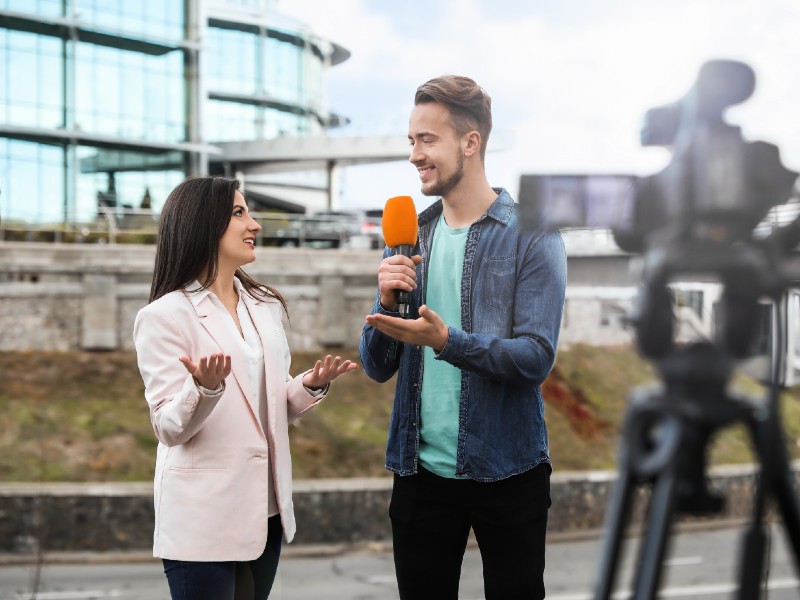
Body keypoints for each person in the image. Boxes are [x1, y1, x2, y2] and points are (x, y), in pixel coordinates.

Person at [359, 75, 567, 599]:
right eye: (412, 140)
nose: (414, 155)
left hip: (509, 470)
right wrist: (384, 302)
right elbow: (377, 366)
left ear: (470, 142)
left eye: (427, 140)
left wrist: (446, 341)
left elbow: (535, 358)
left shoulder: (534, 235)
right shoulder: (410, 235)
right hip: (420, 474)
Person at [133, 176, 357, 599]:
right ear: (203, 224)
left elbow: (267, 406)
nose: (254, 224)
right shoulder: (163, 316)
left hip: (265, 510)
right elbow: (167, 427)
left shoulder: (264, 305)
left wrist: (308, 386)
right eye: (239, 213)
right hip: (203, 518)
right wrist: (202, 389)